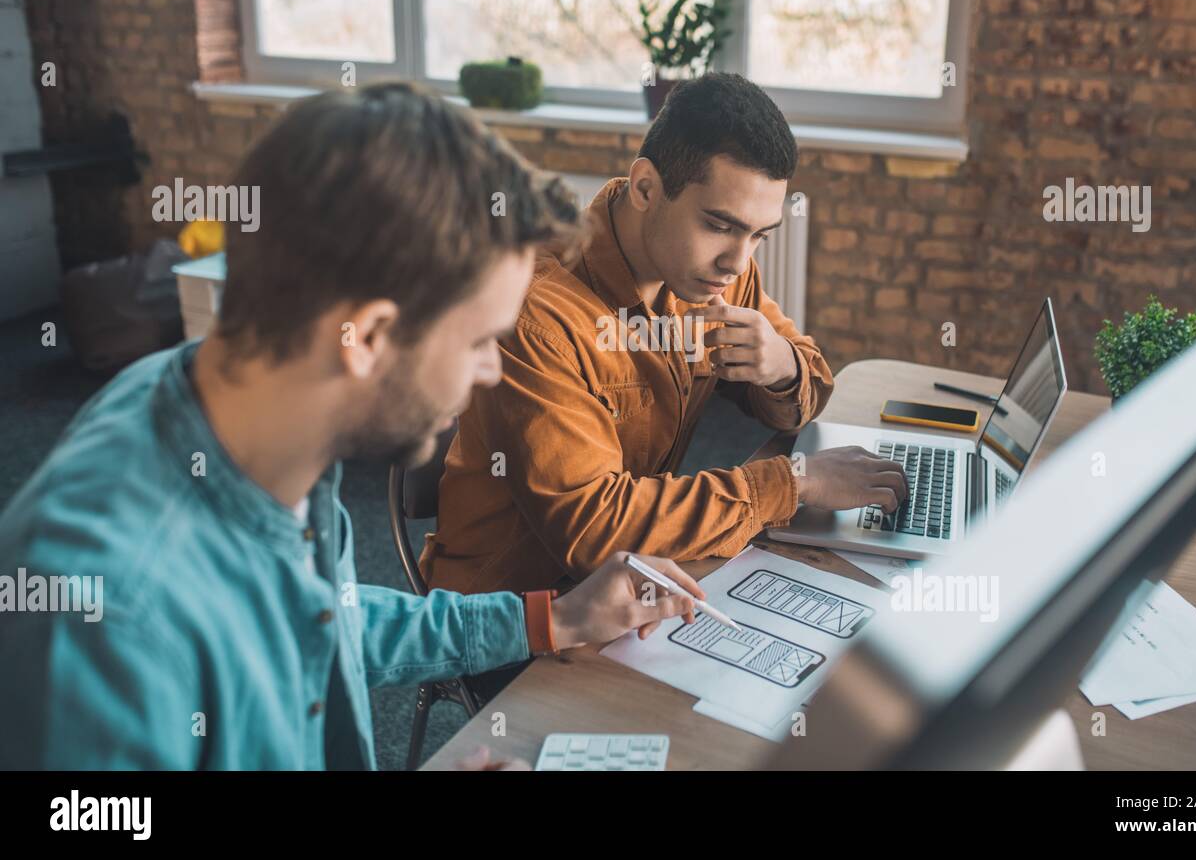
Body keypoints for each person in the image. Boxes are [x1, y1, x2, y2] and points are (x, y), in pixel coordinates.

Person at [0, 83, 703, 770]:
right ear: (366, 338)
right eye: (478, 340)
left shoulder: (238, 408)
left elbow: (319, 619)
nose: (491, 370)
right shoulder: (109, 623)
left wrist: (552, 620)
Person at [426, 73, 907, 596]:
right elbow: (596, 532)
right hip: (515, 617)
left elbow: (806, 390)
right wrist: (794, 482)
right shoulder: (536, 317)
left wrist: (781, 367)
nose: (737, 261)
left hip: (633, 584)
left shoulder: (711, 272)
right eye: (719, 226)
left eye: (759, 236)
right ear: (646, 188)